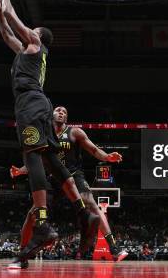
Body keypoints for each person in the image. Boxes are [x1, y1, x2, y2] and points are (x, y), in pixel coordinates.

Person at [0, 0, 100, 269]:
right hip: (39, 104)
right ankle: (82, 211)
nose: (29, 34)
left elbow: (18, 26)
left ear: (39, 36)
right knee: (51, 157)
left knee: (33, 156)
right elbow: (6, 33)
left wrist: (7, 1)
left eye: (32, 32)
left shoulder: (36, 43)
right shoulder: (26, 54)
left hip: (30, 104)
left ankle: (42, 224)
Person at [11, 106, 127, 260]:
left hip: (73, 175)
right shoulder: (45, 135)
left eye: (64, 112)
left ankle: (114, 247)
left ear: (66, 118)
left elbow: (93, 150)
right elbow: (38, 162)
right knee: (33, 213)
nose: (61, 112)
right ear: (52, 114)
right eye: (58, 110)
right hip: (53, 179)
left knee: (90, 203)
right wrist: (20, 170)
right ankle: (23, 253)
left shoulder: (74, 132)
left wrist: (106, 157)